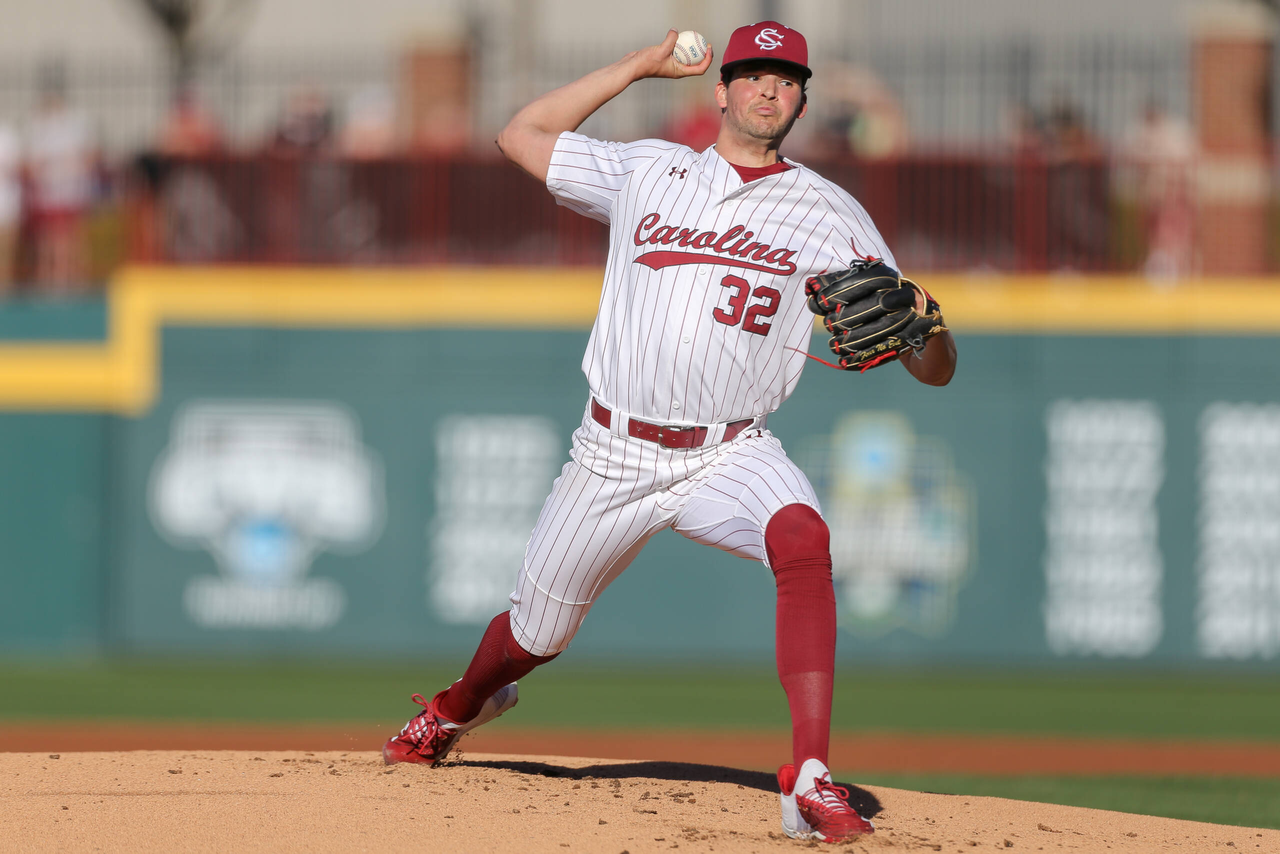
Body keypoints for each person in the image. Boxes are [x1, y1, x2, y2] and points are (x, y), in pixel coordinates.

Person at [383, 21, 957, 844]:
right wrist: (642, 64)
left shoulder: (833, 214)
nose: (769, 89)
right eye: (753, 74)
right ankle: (456, 708)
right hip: (611, 452)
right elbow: (521, 135)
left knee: (803, 537)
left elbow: (931, 367)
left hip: (729, 448)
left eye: (787, 78)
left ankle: (810, 777)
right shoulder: (650, 169)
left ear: (802, 99)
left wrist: (931, 325)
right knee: (535, 635)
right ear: (720, 90)